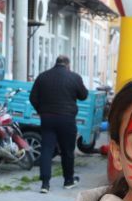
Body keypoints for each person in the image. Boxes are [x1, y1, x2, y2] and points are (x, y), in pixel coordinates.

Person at [30, 55, 89, 193]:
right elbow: (83, 95)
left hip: (47, 119)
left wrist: (41, 110)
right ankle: (68, 180)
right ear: (68, 65)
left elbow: (33, 97)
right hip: (67, 119)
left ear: (55, 63)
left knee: (46, 149)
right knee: (67, 150)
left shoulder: (43, 77)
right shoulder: (74, 77)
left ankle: (45, 184)